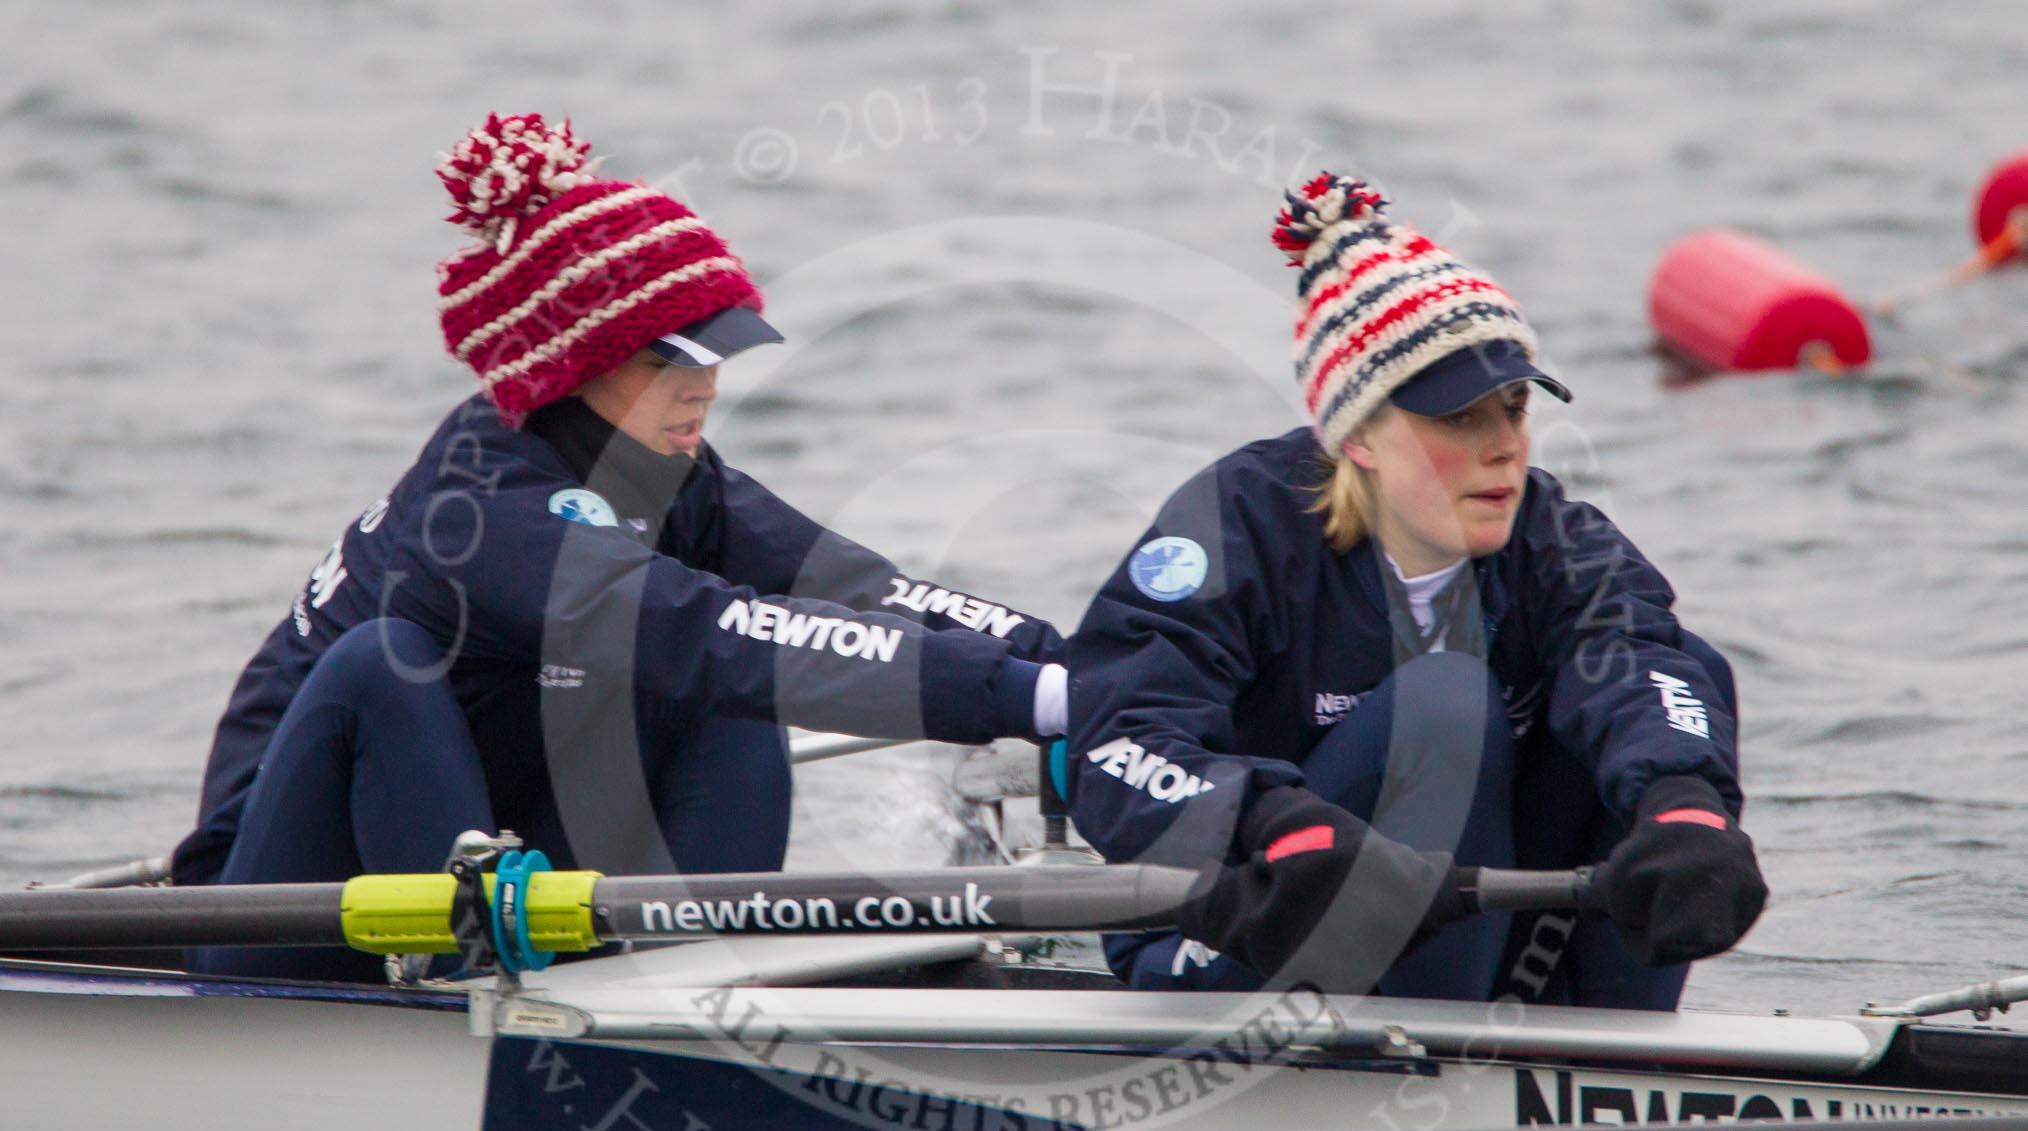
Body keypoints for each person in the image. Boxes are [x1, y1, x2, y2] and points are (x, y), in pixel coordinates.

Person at [172, 113, 1065, 979]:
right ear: (573, 363)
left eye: (716, 356)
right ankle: (461, 985)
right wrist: (1020, 698)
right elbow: (705, 630)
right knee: (392, 660)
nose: (702, 389)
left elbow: (866, 595)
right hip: (277, 905)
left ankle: (709, 987)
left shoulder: (673, 474)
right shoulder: (482, 513)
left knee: (732, 679)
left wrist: (1078, 676)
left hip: (502, 852)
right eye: (667, 362)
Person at [1065, 173, 1766, 1009]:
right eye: (1460, 417)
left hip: (1453, 928)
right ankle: (1440, 1074)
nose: (1505, 447)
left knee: (1688, 677)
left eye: (1513, 408)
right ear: (1358, 434)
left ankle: (1608, 1051)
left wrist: (1686, 808)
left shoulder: (1557, 540)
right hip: (1246, 919)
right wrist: (1273, 820)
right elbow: (1116, 738)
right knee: (1446, 702)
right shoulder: (1234, 529)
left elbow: (1638, 661)